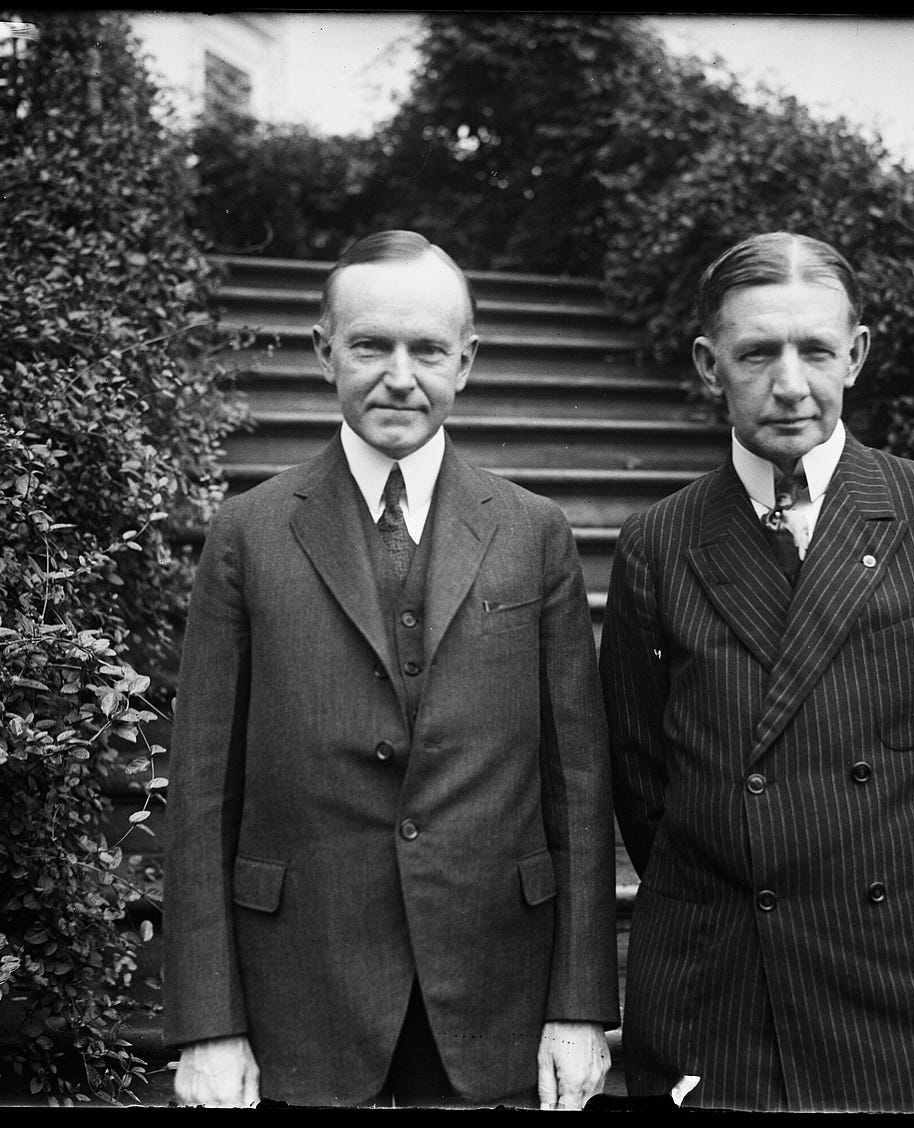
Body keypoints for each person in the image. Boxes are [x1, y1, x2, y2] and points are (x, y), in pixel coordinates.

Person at [163, 230, 620, 1109]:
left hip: (496, 992)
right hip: (300, 987)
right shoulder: (250, 532)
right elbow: (202, 793)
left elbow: (579, 786)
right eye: (371, 345)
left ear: (468, 360)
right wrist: (208, 1021)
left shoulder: (534, 532)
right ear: (323, 350)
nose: (400, 376)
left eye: (429, 350)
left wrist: (579, 1006)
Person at [599, 232, 914, 1113]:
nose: (791, 384)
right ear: (708, 364)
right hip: (727, 982)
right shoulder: (659, 542)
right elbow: (643, 782)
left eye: (815, 351)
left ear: (858, 354)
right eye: (757, 353)